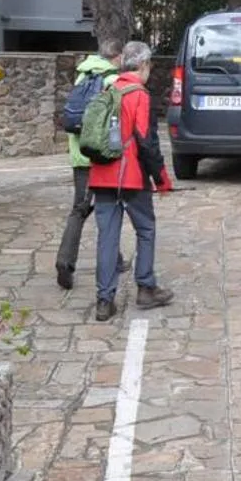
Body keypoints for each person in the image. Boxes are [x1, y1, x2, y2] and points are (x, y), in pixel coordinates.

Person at [87, 40, 175, 322]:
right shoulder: (140, 95)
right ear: (144, 65)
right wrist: (161, 179)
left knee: (107, 238)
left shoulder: (108, 88)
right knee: (146, 229)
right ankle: (146, 288)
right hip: (131, 176)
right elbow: (147, 143)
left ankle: (104, 301)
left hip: (102, 175)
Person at [55, 40, 123, 292]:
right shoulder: (111, 81)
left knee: (83, 207)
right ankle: (64, 261)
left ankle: (115, 258)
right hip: (101, 156)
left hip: (79, 155)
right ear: (116, 57)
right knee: (104, 207)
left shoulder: (82, 75)